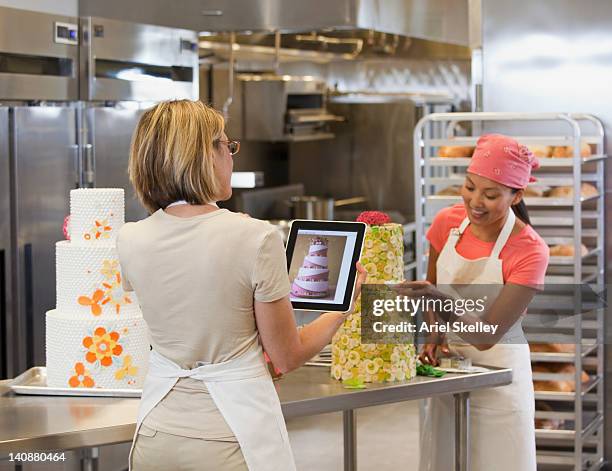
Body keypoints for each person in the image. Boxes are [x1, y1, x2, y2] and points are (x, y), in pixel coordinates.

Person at [117, 100, 366, 471]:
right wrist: (343, 308)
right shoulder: (254, 237)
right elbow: (287, 355)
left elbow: (192, 304)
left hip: (156, 432)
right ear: (204, 155)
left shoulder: (130, 238)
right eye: (226, 145)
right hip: (230, 435)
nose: (231, 156)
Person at [403, 134, 549, 471]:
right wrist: (434, 336)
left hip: (500, 378)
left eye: (491, 194)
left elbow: (486, 336)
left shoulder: (530, 250)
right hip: (450, 372)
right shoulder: (447, 223)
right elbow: (433, 286)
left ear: (517, 196)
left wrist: (437, 298)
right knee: (445, 461)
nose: (476, 201)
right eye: (470, 187)